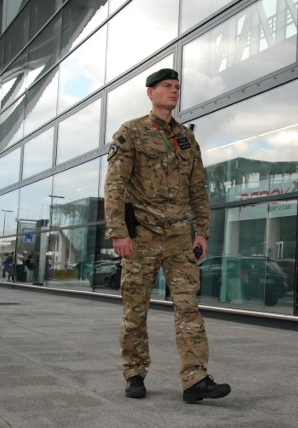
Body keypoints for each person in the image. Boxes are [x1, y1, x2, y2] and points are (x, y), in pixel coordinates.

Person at [105, 68, 230, 402]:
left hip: (177, 237)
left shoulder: (186, 139)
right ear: (150, 92)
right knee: (135, 310)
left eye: (177, 87)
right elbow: (115, 186)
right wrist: (118, 232)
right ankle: (134, 372)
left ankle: (195, 379)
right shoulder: (130, 132)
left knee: (189, 307)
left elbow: (199, 190)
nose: (173, 91)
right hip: (141, 236)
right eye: (166, 86)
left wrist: (201, 232)